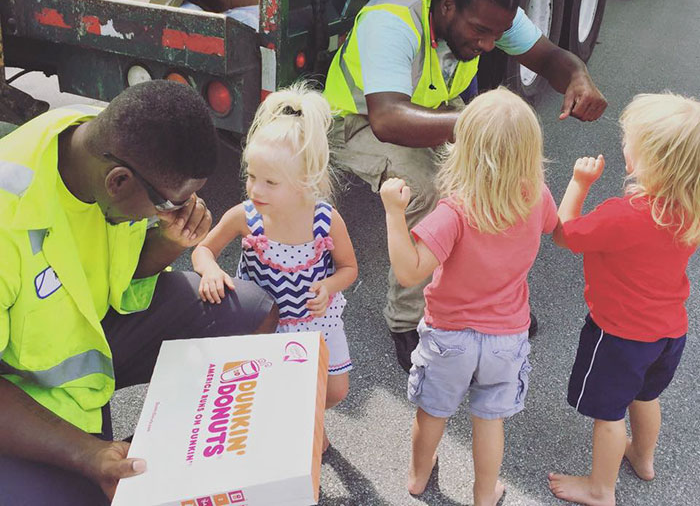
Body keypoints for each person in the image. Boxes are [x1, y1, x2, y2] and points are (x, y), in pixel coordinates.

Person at [324, 0, 607, 371]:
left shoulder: (485, 9)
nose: (490, 45)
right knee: (426, 187)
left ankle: (485, 303)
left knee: (495, 176)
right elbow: (387, 118)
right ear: (448, 6)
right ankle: (408, 320)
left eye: (498, 34)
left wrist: (579, 75)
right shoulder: (393, 21)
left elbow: (549, 58)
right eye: (481, 33)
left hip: (432, 108)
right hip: (357, 120)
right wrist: (481, 122)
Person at [0, 80, 278, 505]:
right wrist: (87, 454)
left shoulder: (98, 141)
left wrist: (169, 242)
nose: (178, 210)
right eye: (169, 203)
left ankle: (172, 461)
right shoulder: (7, 216)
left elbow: (122, 280)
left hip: (93, 338)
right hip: (26, 393)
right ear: (119, 182)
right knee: (87, 494)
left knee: (253, 312)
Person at [380, 87, 558, 505]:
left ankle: (418, 478)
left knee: (433, 412)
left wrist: (393, 212)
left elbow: (409, 270)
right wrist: (582, 185)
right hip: (506, 338)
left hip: (449, 337)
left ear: (464, 149)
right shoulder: (537, 199)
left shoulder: (456, 211)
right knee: (489, 420)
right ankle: (483, 495)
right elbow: (561, 229)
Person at [548, 93, 700, 506]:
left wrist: (578, 183)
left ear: (648, 159)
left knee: (609, 415)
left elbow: (564, 234)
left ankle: (600, 488)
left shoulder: (623, 214)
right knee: (646, 397)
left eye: (628, 141)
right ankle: (643, 457)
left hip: (619, 337)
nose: (623, 146)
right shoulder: (691, 210)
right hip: (669, 334)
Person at [192, 84, 358, 451]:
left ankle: (304, 415)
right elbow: (203, 249)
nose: (255, 189)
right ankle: (297, 434)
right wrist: (211, 271)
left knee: (335, 389)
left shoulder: (325, 220)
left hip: (316, 320)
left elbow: (349, 268)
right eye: (252, 176)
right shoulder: (245, 217)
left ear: (305, 182)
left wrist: (329, 287)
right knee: (272, 386)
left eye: (270, 182)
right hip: (264, 324)